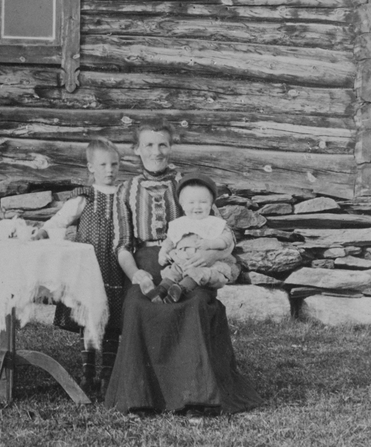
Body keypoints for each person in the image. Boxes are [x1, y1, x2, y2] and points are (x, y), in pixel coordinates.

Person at [103, 120, 261, 416]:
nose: (156, 151)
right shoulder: (126, 190)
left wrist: (207, 255)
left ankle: (197, 397)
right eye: (148, 145)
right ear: (136, 150)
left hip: (193, 261)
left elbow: (223, 233)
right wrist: (134, 273)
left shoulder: (189, 185)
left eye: (162, 144)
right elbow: (122, 245)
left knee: (197, 302)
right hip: (148, 263)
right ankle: (141, 397)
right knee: (138, 305)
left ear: (171, 147)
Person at [32, 137, 131, 392]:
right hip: (89, 266)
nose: (110, 170)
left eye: (115, 164)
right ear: (91, 167)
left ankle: (108, 375)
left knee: (113, 319)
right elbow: (61, 219)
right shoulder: (86, 196)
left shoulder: (125, 195)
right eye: (103, 165)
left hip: (116, 266)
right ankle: (87, 374)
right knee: (88, 315)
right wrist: (43, 232)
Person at [150, 179, 238, 303]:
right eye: (191, 202)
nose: (197, 206)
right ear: (183, 205)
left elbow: (227, 239)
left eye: (203, 202)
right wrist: (163, 252)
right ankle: (161, 291)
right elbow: (170, 241)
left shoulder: (214, 223)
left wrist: (211, 244)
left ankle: (180, 290)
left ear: (210, 204)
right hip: (182, 262)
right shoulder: (181, 223)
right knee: (173, 271)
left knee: (205, 274)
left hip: (208, 264)